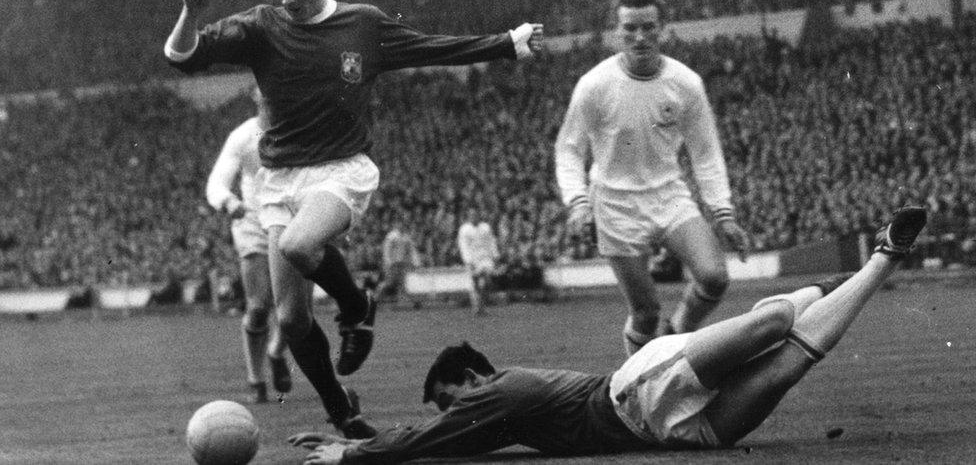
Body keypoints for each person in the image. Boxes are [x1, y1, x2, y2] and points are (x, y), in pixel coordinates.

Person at [164, 0, 543, 437]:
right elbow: (182, 57)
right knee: (292, 318)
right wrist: (191, 10)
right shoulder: (260, 25)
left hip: (341, 169)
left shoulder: (361, 25)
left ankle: (357, 306)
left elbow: (428, 48)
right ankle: (342, 409)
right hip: (279, 181)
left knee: (301, 244)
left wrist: (507, 44)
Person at [290, 207, 927, 464]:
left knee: (771, 323)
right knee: (793, 362)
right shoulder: (503, 417)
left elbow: (438, 434)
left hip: (639, 391)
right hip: (675, 432)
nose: (456, 412)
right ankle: (880, 261)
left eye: (451, 396)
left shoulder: (505, 391)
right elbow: (440, 442)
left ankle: (833, 282)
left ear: (475, 379)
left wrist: (354, 455)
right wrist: (368, 434)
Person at [554, 0, 750, 354]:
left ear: (662, 28)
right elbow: (568, 149)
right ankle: (637, 385)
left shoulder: (686, 84)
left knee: (714, 277)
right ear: (616, 31)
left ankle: (675, 336)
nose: (639, 36)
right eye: (630, 28)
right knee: (645, 312)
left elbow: (705, 152)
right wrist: (578, 202)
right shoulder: (594, 85)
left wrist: (723, 213)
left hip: (667, 193)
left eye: (648, 27)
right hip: (614, 202)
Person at [206, 86, 292, 404]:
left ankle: (276, 351)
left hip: (292, 222)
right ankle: (256, 379)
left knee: (292, 313)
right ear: (257, 98)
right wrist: (228, 202)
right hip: (254, 224)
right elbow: (217, 181)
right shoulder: (243, 137)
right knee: (258, 307)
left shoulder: (301, 129)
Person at [456, 206, 499, 315]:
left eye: (475, 214)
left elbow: (491, 241)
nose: (473, 217)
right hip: (472, 259)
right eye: (471, 215)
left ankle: (481, 306)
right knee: (475, 284)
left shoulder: (486, 227)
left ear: (479, 215)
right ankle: (478, 308)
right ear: (468, 216)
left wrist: (495, 255)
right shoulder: (464, 229)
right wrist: (468, 261)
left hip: (485, 258)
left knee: (486, 281)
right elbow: (463, 246)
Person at [378, 218, 420, 303]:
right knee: (389, 283)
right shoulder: (391, 236)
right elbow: (386, 249)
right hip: (392, 264)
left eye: (403, 224)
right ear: (397, 224)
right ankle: (376, 297)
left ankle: (407, 301)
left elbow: (411, 250)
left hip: (402, 263)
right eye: (400, 224)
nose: (402, 225)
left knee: (402, 283)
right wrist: (388, 262)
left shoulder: (406, 237)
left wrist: (415, 262)